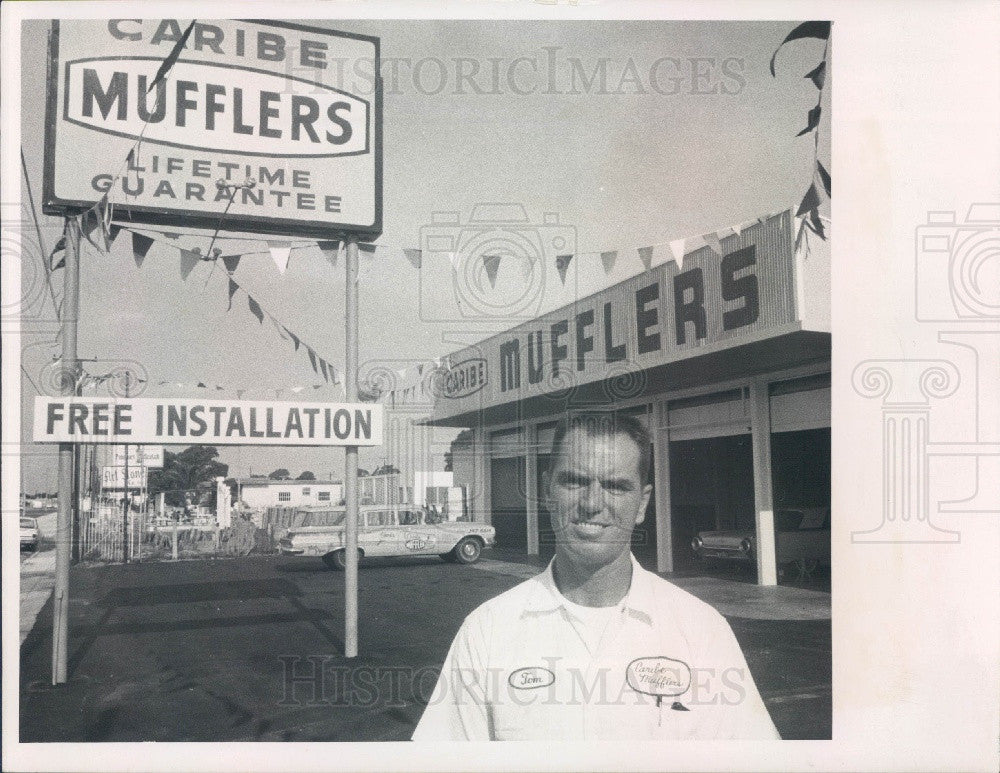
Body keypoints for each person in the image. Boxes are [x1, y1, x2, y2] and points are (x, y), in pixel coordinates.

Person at [412, 412, 779, 741]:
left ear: (643, 504)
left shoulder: (701, 630)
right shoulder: (487, 631)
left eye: (616, 486)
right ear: (546, 491)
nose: (593, 503)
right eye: (574, 482)